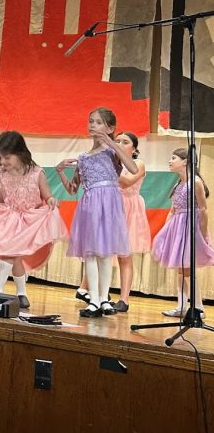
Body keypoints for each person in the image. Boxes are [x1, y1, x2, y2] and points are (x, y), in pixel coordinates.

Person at [0, 131, 66, 309]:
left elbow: (47, 196)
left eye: (6, 157)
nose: (3, 162)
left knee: (12, 255)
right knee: (13, 256)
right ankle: (20, 293)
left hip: (29, 221)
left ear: (19, 153)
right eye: (0, 158)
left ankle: (0, 291)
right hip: (10, 219)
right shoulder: (2, 174)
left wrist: (52, 201)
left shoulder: (37, 173)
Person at [57, 107, 138, 318]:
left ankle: (104, 298)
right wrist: (59, 171)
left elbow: (133, 169)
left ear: (110, 128)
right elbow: (72, 189)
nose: (93, 125)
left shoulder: (113, 152)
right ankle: (93, 299)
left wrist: (112, 142)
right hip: (89, 204)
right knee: (91, 253)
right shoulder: (83, 157)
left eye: (99, 122)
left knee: (105, 253)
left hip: (109, 203)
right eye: (91, 121)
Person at [151, 148, 214, 319]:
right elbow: (173, 209)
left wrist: (203, 235)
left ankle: (198, 308)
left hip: (190, 227)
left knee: (187, 268)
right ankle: (181, 306)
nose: (170, 161)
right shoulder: (178, 184)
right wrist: (166, 231)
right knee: (181, 268)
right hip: (177, 227)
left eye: (173, 158)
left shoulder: (195, 182)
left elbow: (203, 209)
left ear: (185, 162)